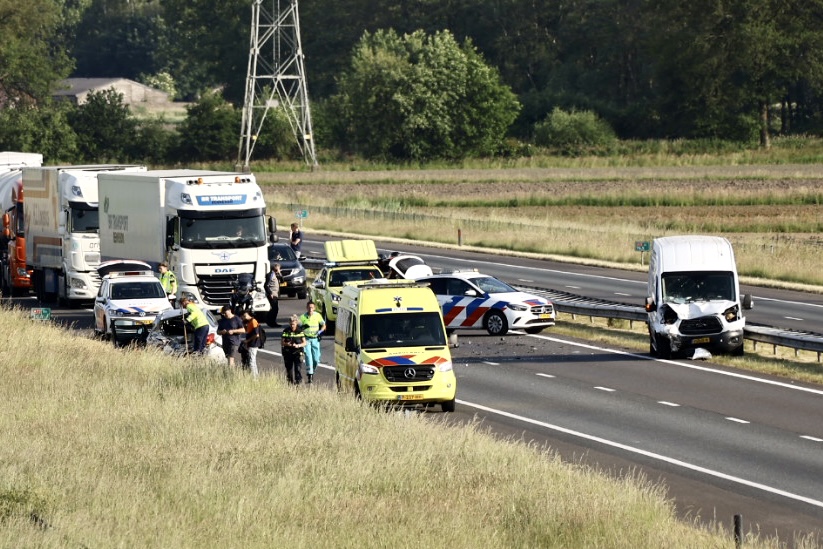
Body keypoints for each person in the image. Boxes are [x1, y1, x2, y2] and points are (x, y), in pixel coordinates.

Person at [299, 301, 326, 384]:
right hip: (306, 339)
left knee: (316, 358)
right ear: (306, 308)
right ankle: (309, 374)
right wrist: (302, 328)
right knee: (308, 357)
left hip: (315, 339)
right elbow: (298, 328)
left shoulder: (317, 315)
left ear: (314, 308)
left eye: (312, 307)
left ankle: (312, 370)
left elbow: (324, 325)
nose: (310, 309)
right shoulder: (303, 317)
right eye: (309, 307)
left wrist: (320, 332)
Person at [280, 314, 306, 385]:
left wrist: (298, 345)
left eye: (293, 324)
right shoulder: (286, 331)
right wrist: (287, 344)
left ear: (296, 323)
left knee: (298, 368)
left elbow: (304, 343)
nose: (292, 326)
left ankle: (298, 383)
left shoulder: (300, 331)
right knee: (289, 369)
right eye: (291, 324)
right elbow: (282, 342)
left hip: (298, 352)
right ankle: (290, 383)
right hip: (288, 352)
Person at [240, 310, 263, 378]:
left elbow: (256, 334)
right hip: (251, 343)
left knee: (251, 361)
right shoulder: (249, 322)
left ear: (245, 315)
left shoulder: (253, 321)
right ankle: (255, 376)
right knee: (252, 361)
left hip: (254, 344)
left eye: (242, 317)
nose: (242, 319)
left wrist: (247, 340)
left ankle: (254, 378)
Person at [265, 263, 282, 327]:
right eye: (278, 268)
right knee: (274, 309)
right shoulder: (270, 275)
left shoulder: (276, 275)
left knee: (275, 309)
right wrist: (270, 293)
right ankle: (270, 321)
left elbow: (282, 281)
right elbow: (266, 285)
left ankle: (272, 321)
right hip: (272, 294)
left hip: (276, 294)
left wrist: (280, 273)